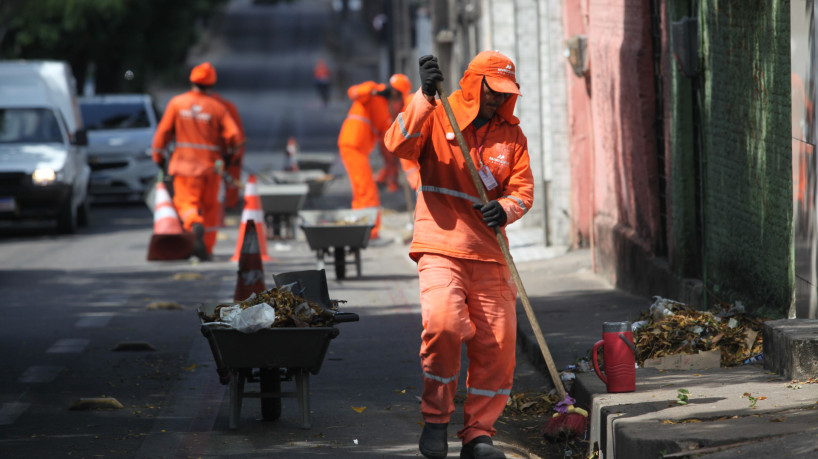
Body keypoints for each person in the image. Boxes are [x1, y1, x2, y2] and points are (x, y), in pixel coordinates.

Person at [384, 51, 534, 459]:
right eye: (492, 90)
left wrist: (503, 209)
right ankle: (436, 420)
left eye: (504, 93)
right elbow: (396, 143)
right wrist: (424, 97)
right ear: (473, 84)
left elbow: (523, 192)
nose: (496, 100)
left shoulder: (511, 135)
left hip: (489, 254)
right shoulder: (438, 114)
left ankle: (478, 435)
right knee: (444, 327)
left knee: (498, 346)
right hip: (441, 245)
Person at [151, 62, 243, 260]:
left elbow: (162, 134)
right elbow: (235, 136)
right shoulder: (217, 107)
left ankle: (193, 225)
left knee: (186, 203)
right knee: (210, 209)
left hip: (184, 167)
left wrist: (158, 157)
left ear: (192, 80)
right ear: (211, 84)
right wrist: (228, 156)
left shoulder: (177, 103)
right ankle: (207, 249)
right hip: (211, 168)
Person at [337, 76, 406, 240]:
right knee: (367, 192)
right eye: (398, 97)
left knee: (363, 191)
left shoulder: (387, 112)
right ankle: (370, 232)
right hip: (352, 144)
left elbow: (386, 144)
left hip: (359, 149)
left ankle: (362, 230)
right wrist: (373, 90)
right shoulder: (372, 92)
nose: (398, 103)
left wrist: (389, 171)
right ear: (393, 92)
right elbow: (352, 92)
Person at [210, 90, 246, 210]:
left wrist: (233, 154)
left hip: (228, 150)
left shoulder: (220, 108)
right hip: (226, 150)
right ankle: (230, 204)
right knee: (230, 177)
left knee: (230, 177)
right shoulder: (226, 106)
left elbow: (235, 134)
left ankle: (230, 204)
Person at [375, 73, 411, 193]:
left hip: (394, 134)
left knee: (393, 162)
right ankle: (391, 183)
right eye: (393, 89)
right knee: (391, 162)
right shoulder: (385, 99)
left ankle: (383, 180)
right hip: (385, 135)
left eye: (396, 90)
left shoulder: (402, 103)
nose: (393, 92)